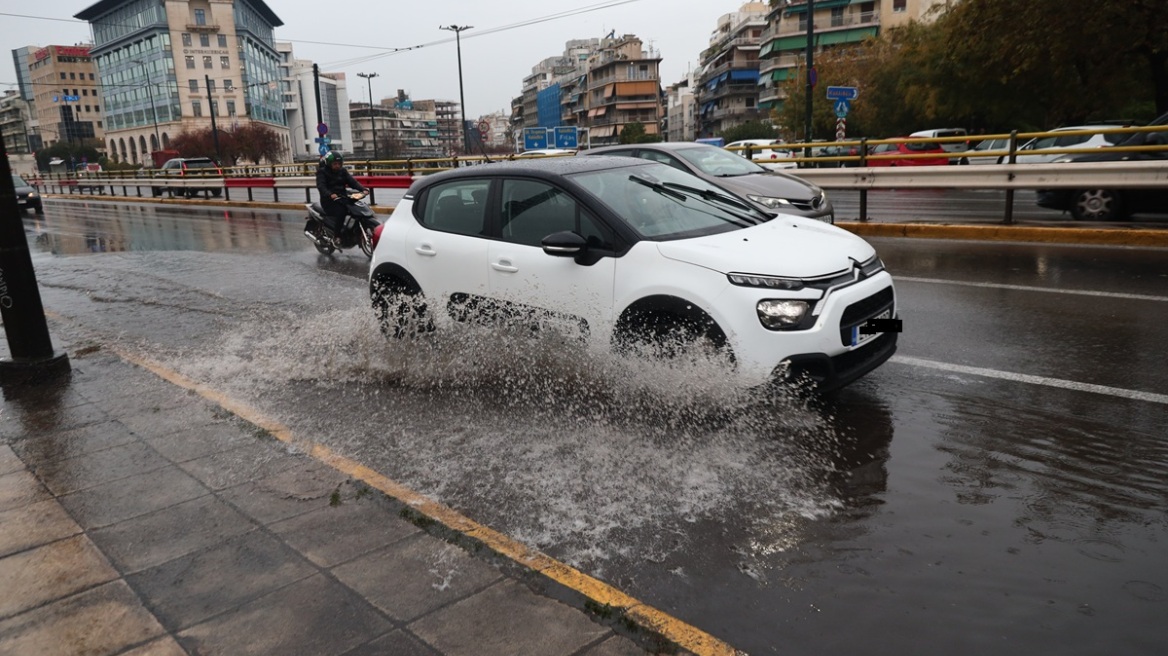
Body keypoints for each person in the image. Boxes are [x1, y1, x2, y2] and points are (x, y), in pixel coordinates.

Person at [314, 151, 366, 237]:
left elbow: (353, 182)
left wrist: (363, 189)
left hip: (342, 198)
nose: (337, 166)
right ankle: (337, 236)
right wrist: (330, 194)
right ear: (329, 164)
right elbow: (321, 186)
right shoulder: (322, 172)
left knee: (356, 208)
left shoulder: (343, 171)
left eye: (339, 163)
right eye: (335, 164)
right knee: (341, 212)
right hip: (329, 201)